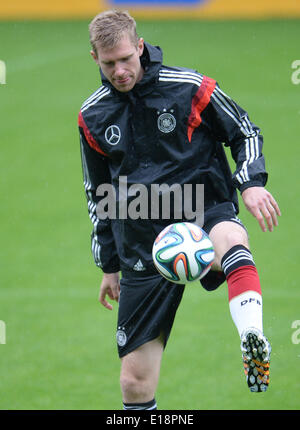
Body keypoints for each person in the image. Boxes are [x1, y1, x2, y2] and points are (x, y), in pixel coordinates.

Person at [78, 10, 281, 410]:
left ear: (139, 47)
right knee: (134, 384)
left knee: (231, 238)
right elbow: (96, 192)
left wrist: (252, 183)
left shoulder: (189, 87)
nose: (119, 71)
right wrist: (108, 263)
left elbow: (243, 130)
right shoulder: (92, 115)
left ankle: (252, 337)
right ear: (95, 59)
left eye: (125, 59)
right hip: (140, 238)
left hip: (201, 208)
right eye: (109, 63)